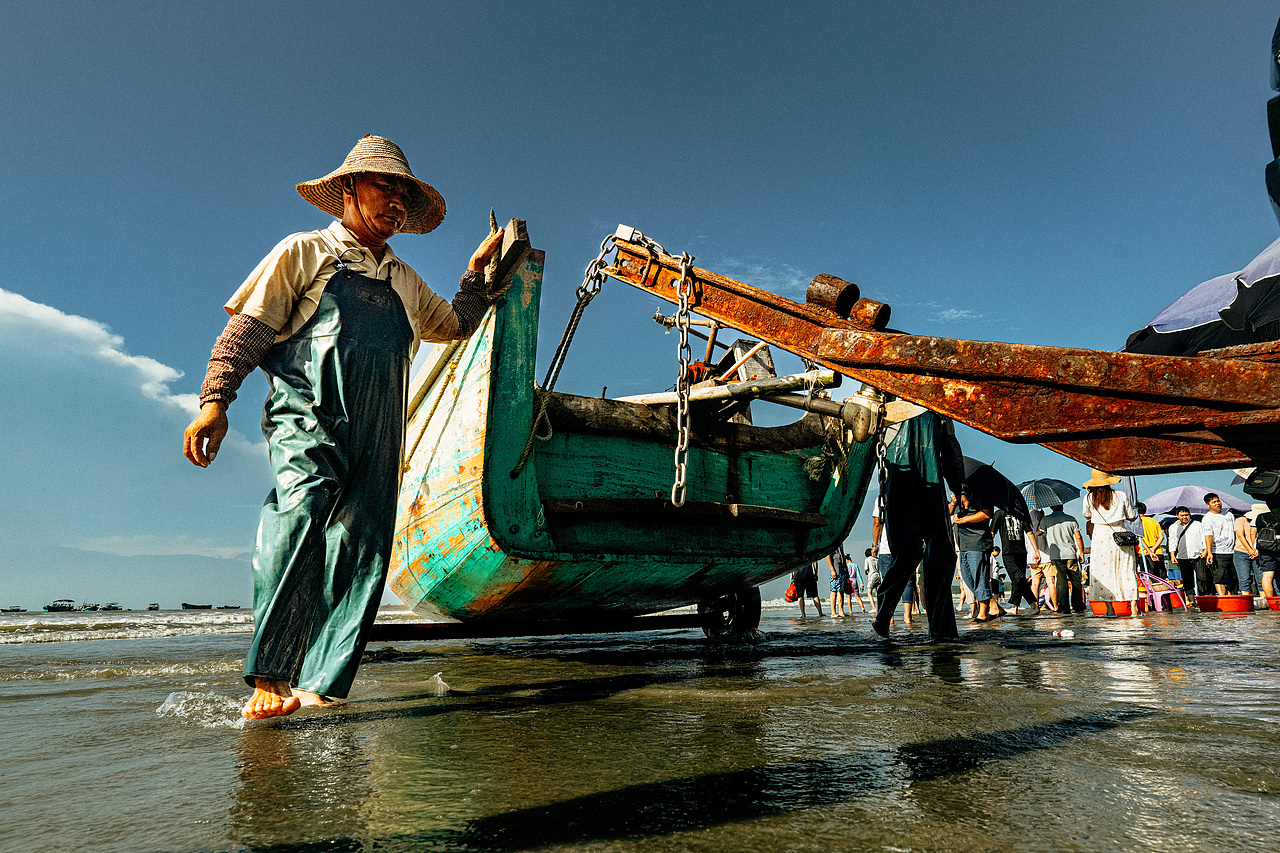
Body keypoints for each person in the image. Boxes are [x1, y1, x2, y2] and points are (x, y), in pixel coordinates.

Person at [183, 136, 505, 719]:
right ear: (350, 189)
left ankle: (323, 682)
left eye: (405, 194)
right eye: (387, 187)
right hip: (309, 412)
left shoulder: (404, 279)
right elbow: (248, 331)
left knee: (364, 542)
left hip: (380, 430)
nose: (398, 202)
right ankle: (273, 675)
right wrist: (215, 400)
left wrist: (477, 276)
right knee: (301, 510)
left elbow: (454, 324)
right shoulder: (303, 252)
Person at [869, 408, 965, 643]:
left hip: (905, 483)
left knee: (913, 553)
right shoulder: (938, 407)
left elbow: (950, 448)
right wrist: (958, 486)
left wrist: (957, 485)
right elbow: (951, 449)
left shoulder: (892, 401)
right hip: (921, 482)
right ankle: (940, 629)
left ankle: (887, 617)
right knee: (931, 554)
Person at [1080, 471, 1142, 616]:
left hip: (1100, 537)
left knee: (1104, 572)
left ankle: (1110, 609)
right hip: (1120, 534)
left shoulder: (1089, 497)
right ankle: (1134, 608)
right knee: (1126, 570)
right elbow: (1131, 516)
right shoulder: (1121, 495)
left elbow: (1087, 515)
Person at [950, 487, 997, 623]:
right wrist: (953, 503)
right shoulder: (957, 499)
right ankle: (993, 605)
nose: (965, 505)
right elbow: (947, 513)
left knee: (979, 577)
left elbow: (987, 514)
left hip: (977, 542)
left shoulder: (981, 494)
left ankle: (983, 613)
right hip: (962, 544)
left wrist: (965, 520)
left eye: (965, 502)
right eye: (962, 502)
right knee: (967, 578)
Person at [991, 507, 1040, 615]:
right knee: (1017, 579)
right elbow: (1030, 533)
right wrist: (1036, 551)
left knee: (1018, 578)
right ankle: (1015, 607)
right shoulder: (1020, 513)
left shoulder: (999, 513)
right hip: (1021, 552)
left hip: (1009, 552)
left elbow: (992, 533)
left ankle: (1033, 605)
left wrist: (986, 549)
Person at [1041, 503, 1086, 614]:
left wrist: (1043, 521)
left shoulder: (1046, 519)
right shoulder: (1071, 519)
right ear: (1062, 506)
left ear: (1051, 507)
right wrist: (1081, 552)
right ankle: (1078, 606)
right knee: (1075, 580)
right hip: (1071, 554)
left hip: (1056, 555)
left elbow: (1038, 532)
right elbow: (1078, 537)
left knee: (1060, 581)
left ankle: (1064, 607)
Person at [1201, 493, 1237, 595]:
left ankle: (1231, 601)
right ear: (1208, 505)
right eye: (1214, 502)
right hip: (1217, 552)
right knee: (1220, 578)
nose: (1217, 503)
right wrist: (1209, 552)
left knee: (1232, 579)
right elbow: (1208, 535)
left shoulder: (1229, 515)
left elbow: (1235, 531)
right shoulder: (1207, 518)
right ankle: (1223, 599)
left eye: (1218, 501)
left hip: (1232, 551)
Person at [1167, 506, 1207, 597]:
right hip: (1183, 556)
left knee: (1202, 578)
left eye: (1186, 515)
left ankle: (1202, 597)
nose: (1185, 517)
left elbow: (1203, 538)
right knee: (1187, 579)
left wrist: (1205, 550)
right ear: (1177, 515)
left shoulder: (1197, 524)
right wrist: (1172, 555)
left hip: (1198, 555)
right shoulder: (1173, 527)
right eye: (1182, 515)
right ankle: (1191, 599)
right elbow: (1172, 542)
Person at [1234, 505, 1261, 596]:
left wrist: (1255, 550)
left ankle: (1265, 602)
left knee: (1260, 579)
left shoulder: (1262, 521)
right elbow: (1240, 536)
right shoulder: (1240, 520)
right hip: (1241, 552)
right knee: (1244, 579)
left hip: (1258, 552)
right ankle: (1247, 602)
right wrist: (1250, 550)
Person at [1135, 502, 1167, 578]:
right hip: (1158, 552)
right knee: (1160, 579)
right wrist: (1153, 549)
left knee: (1147, 579)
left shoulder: (1137, 523)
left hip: (1144, 553)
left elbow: (1140, 539)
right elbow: (1161, 537)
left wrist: (1149, 551)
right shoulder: (1154, 522)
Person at [827, 547, 852, 617]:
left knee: (841, 591)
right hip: (835, 569)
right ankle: (833, 612)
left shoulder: (840, 543)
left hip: (842, 569)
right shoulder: (831, 542)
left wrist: (846, 570)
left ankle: (841, 611)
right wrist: (832, 569)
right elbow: (827, 556)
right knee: (834, 591)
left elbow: (843, 556)